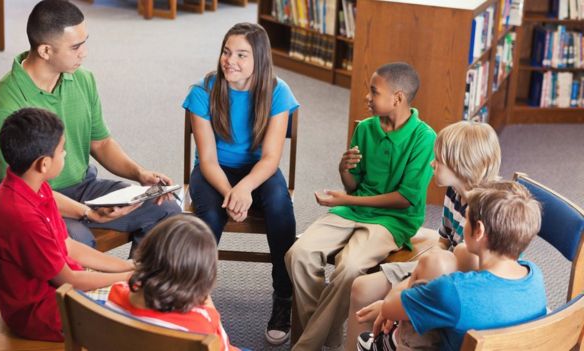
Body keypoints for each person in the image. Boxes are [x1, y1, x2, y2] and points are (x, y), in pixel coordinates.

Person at [0, 0, 180, 252]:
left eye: (84, 42)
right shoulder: (4, 103)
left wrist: (139, 174)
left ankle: (138, 288)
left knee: (167, 210)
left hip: (85, 186)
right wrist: (86, 212)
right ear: (45, 51)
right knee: (79, 242)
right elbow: (22, 188)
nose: (84, 53)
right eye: (75, 46)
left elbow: (100, 142)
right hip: (39, 201)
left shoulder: (83, 78)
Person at [285, 62, 436, 351]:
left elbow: (405, 198)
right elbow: (353, 185)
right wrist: (344, 171)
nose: (367, 97)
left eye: (374, 91)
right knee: (298, 255)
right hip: (353, 211)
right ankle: (326, 338)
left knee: (351, 267)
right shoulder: (365, 129)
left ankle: (306, 346)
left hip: (393, 221)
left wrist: (347, 199)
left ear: (398, 98)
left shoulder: (424, 138)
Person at [182, 22, 299, 345]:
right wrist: (230, 192)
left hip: (258, 171)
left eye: (241, 55)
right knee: (208, 217)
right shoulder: (202, 91)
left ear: (259, 60)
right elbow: (206, 160)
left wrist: (245, 187)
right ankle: (195, 296)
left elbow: (271, 158)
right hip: (215, 172)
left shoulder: (278, 92)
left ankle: (283, 297)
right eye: (226, 51)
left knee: (279, 206)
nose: (230, 60)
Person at [346, 120, 502, 349]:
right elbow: (443, 242)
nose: (431, 163)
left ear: (460, 166)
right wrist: (416, 274)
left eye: (438, 160)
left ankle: (386, 340)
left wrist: (406, 293)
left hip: (455, 284)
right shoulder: (454, 192)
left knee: (391, 307)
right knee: (361, 288)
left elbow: (467, 277)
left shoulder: (485, 215)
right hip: (440, 268)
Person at [0, 108, 135, 342]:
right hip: (42, 313)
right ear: (44, 164)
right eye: (62, 150)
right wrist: (128, 277)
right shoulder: (22, 216)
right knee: (140, 321)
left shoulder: (33, 184)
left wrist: (126, 267)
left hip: (63, 288)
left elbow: (68, 246)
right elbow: (68, 280)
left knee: (142, 295)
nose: (65, 154)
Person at [358, 181, 547, 351]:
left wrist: (414, 277)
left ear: (479, 230)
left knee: (367, 339)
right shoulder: (535, 276)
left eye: (466, 218)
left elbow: (390, 307)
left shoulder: (452, 291)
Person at [106, 215, 239, 351]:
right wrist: (208, 304)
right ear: (204, 276)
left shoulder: (117, 291)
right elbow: (223, 347)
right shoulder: (201, 321)